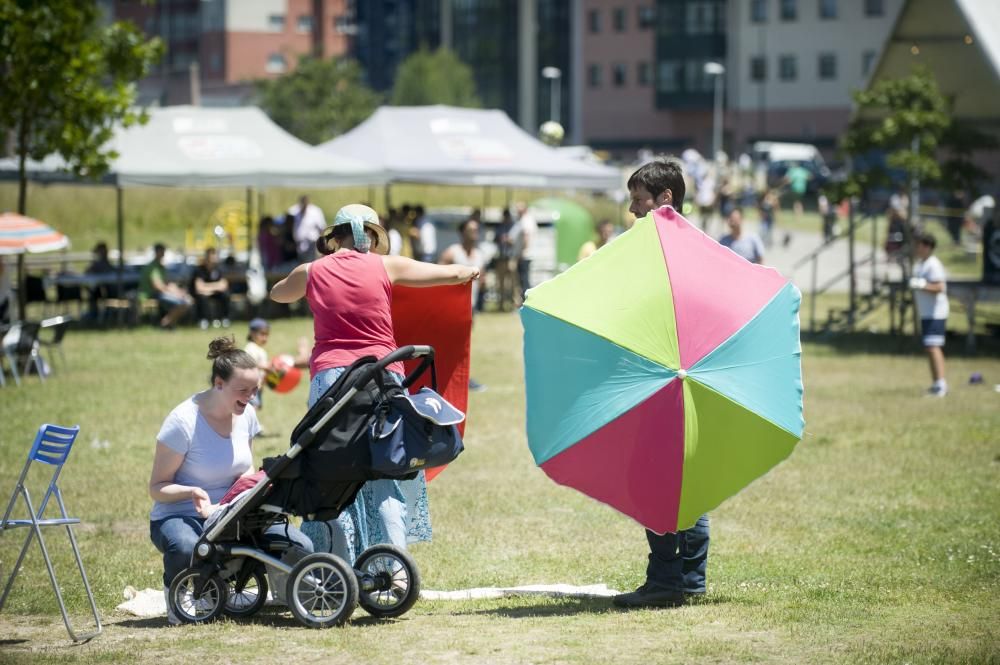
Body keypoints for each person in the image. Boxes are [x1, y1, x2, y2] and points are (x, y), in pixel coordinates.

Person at [270, 203, 479, 564]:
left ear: (335, 237)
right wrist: (469, 271)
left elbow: (277, 293)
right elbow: (452, 273)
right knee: (386, 469)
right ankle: (393, 567)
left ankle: (334, 566)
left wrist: (309, 276)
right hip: (383, 378)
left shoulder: (312, 271)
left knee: (332, 473)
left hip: (331, 384)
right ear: (370, 236)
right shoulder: (387, 265)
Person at [148, 336, 313, 624]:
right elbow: (157, 488)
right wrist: (192, 492)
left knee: (300, 545)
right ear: (218, 383)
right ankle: (178, 595)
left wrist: (256, 489)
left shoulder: (246, 414)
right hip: (179, 514)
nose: (250, 397)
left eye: (254, 390)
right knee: (187, 547)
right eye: (243, 390)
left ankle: (285, 594)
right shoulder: (182, 422)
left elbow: (243, 470)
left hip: (230, 513)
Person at [617, 158, 710, 609]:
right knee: (687, 480)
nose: (633, 210)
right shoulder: (699, 246)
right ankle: (688, 580)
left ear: (665, 200)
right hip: (687, 376)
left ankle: (667, 581)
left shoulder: (661, 250)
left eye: (639, 201)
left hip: (666, 378)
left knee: (653, 479)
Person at [439, 217, 489, 392]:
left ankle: (463, 377)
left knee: (465, 345)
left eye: (476, 230)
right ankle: (450, 376)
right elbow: (437, 276)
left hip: (470, 308)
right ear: (462, 233)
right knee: (450, 344)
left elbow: (482, 279)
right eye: (470, 230)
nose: (474, 233)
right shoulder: (452, 253)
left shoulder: (480, 255)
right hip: (451, 307)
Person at [909, 232, 949, 397]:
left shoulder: (933, 264)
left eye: (918, 245)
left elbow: (939, 287)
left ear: (926, 246)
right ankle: (935, 383)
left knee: (933, 347)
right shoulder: (921, 264)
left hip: (935, 313)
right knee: (929, 346)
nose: (916, 248)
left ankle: (941, 384)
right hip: (926, 312)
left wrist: (922, 285)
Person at [138, 243, 192, 330]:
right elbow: (158, 286)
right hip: (152, 295)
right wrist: (175, 294)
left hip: (161, 294)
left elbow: (167, 283)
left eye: (163, 251)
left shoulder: (161, 267)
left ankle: (168, 324)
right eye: (161, 251)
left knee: (187, 300)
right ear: (156, 252)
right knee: (182, 303)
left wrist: (179, 291)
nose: (163, 253)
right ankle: (165, 324)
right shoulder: (152, 267)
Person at [190, 247, 231, 330]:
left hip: (213, 293)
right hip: (201, 294)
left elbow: (224, 285)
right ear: (207, 257)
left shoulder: (218, 269)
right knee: (202, 297)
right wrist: (216, 286)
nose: (214, 259)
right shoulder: (199, 270)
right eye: (212, 257)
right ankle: (203, 320)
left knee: (226, 294)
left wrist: (208, 287)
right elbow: (199, 288)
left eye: (215, 256)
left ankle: (224, 319)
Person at [511, 202, 537, 303]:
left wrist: (522, 252)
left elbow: (526, 237)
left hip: (525, 255)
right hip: (525, 254)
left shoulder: (526, 220)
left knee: (524, 280)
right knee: (524, 279)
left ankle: (527, 302)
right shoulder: (526, 219)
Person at [288, 195, 326, 264]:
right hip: (299, 245)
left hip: (312, 244)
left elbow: (322, 228)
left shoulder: (315, 211)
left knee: (311, 264)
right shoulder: (294, 211)